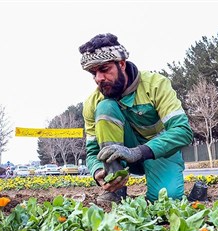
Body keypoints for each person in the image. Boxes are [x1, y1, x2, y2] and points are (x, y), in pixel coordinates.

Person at [79, 33, 194, 204]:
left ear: (122, 64)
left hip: (158, 152)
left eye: (104, 69)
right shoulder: (92, 103)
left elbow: (183, 131)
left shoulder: (155, 84)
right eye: (93, 73)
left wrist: (137, 152)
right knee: (106, 107)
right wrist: (97, 171)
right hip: (122, 158)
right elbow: (92, 151)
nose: (99, 79)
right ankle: (115, 186)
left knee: (166, 199)